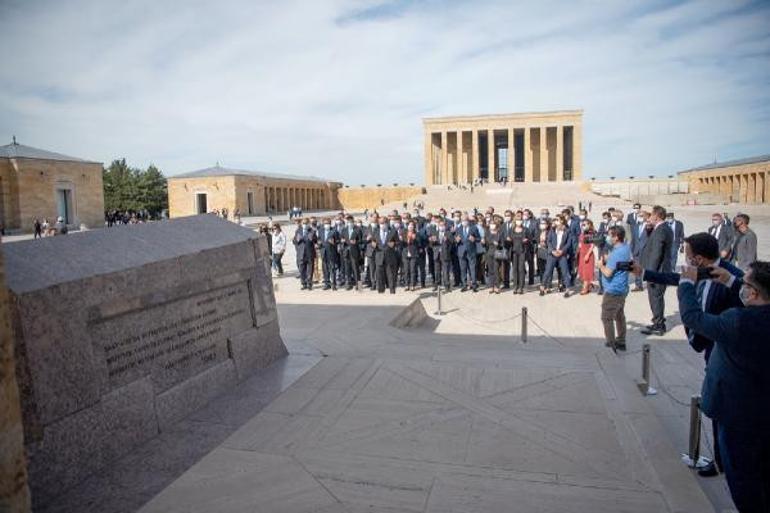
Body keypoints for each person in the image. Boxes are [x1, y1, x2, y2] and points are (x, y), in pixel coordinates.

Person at [634, 232, 744, 478]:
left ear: (700, 259)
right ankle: (720, 459)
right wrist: (643, 272)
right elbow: (677, 277)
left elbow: (695, 315)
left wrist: (686, 286)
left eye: (687, 252)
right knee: (716, 407)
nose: (685, 256)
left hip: (725, 356)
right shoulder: (705, 270)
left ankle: (727, 462)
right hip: (709, 351)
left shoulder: (729, 277)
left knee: (723, 410)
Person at [678, 261, 770, 512]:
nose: (741, 285)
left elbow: (693, 318)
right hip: (763, 412)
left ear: (752, 293)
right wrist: (731, 280)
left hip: (738, 415)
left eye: (745, 282)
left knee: (744, 482)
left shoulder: (738, 321)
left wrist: (686, 284)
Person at [640, 206, 673, 336]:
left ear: (657, 216)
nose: (649, 218)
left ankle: (659, 325)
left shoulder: (661, 230)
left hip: (658, 271)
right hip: (660, 269)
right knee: (656, 297)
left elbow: (657, 253)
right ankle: (657, 321)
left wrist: (651, 273)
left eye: (651, 215)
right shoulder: (663, 228)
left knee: (656, 297)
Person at [598, 226, 631, 351]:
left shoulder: (617, 253)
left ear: (616, 237)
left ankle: (611, 343)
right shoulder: (625, 248)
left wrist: (601, 266)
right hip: (622, 288)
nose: (608, 237)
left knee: (607, 317)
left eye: (610, 235)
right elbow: (622, 265)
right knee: (619, 315)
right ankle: (621, 341)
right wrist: (609, 259)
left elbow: (607, 273)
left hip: (613, 290)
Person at [540, 215, 573, 298]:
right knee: (547, 271)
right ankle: (542, 287)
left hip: (562, 254)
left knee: (565, 271)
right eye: (555, 220)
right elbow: (549, 241)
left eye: (557, 220)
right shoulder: (552, 230)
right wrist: (552, 250)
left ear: (562, 221)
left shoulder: (567, 231)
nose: (555, 221)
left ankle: (567, 290)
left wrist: (562, 251)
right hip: (552, 254)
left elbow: (568, 243)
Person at [455, 215, 480, 292]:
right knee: (463, 269)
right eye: (462, 220)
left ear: (468, 221)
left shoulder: (474, 228)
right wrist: (456, 240)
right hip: (461, 251)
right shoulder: (459, 229)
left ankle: (474, 285)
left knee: (472, 268)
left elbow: (479, 238)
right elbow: (455, 239)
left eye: (465, 220)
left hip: (471, 251)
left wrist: (474, 239)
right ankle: (464, 285)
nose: (464, 222)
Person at [294, 219, 317, 290]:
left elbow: (315, 240)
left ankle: (309, 283)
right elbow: (294, 241)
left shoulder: (312, 230)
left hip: (309, 253)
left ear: (308, 223)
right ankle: (303, 283)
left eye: (306, 223)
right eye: (303, 223)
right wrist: (296, 240)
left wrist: (312, 238)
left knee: (310, 269)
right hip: (301, 253)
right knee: (302, 269)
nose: (304, 224)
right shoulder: (298, 230)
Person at [630, 210, 650, 292]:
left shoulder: (649, 227)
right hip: (636, 251)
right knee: (637, 268)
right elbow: (633, 239)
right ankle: (638, 285)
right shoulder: (635, 226)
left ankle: (650, 284)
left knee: (648, 268)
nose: (640, 218)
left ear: (646, 217)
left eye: (641, 216)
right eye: (639, 216)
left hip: (646, 251)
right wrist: (631, 250)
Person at [578, 219, 596, 295]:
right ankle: (588, 286)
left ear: (589, 225)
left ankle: (585, 288)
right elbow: (580, 243)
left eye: (585, 224)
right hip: (581, 254)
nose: (583, 226)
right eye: (582, 225)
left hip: (588, 254)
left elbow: (592, 245)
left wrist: (588, 255)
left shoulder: (591, 234)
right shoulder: (582, 233)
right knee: (582, 271)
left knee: (587, 272)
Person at [510, 214, 527, 294]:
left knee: (521, 269)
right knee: (515, 269)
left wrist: (526, 241)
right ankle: (515, 286)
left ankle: (521, 287)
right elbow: (509, 239)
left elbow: (529, 240)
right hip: (514, 251)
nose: (519, 221)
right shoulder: (512, 229)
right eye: (517, 220)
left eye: (520, 220)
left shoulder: (525, 229)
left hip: (522, 251)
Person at [485, 220, 503, 294]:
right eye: (491, 224)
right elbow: (486, 242)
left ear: (496, 225)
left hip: (497, 253)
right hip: (489, 253)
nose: (491, 225)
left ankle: (497, 286)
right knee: (490, 270)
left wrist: (498, 244)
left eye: (493, 224)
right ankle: (491, 286)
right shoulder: (488, 232)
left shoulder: (500, 233)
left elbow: (502, 244)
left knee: (496, 270)